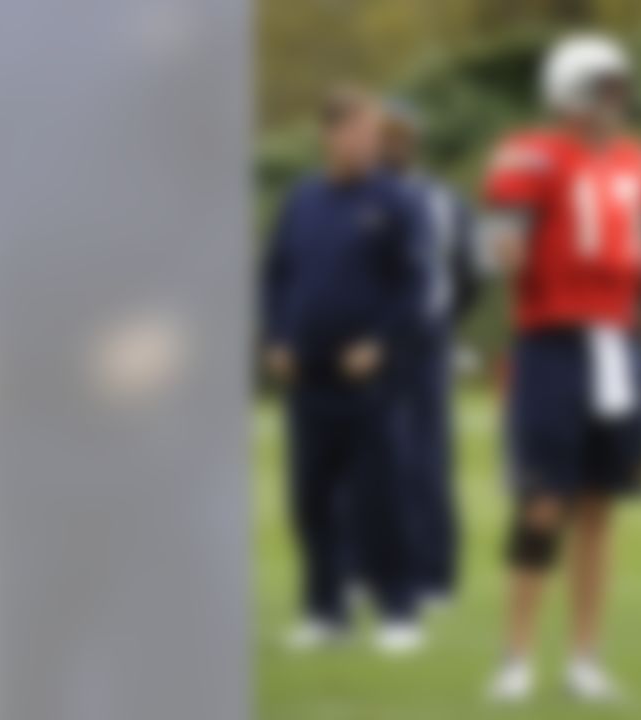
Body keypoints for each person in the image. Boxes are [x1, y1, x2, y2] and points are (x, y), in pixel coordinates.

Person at [481, 34, 641, 702]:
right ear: (570, 92)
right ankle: (515, 658)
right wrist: (502, 250)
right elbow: (498, 244)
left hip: (621, 345)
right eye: (605, 86)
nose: (618, 98)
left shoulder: (638, 161)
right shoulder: (533, 154)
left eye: (620, 86)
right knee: (544, 502)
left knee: (601, 507)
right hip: (551, 343)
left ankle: (585, 661)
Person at [262, 86, 429, 656]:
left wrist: (380, 342)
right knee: (310, 499)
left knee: (382, 497)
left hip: (369, 378)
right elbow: (276, 276)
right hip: (307, 376)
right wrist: (276, 338)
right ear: (329, 135)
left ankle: (399, 611)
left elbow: (415, 288)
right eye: (357, 131)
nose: (368, 143)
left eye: (374, 133)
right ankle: (323, 611)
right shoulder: (302, 200)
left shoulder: (396, 203)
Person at [381, 100, 481, 609]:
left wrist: (438, 324)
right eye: (385, 134)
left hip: (424, 346)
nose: (394, 143)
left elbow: (469, 274)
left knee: (427, 464)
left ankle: (434, 575)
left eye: (403, 134)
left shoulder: (443, 200)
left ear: (415, 141)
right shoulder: (343, 195)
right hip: (362, 351)